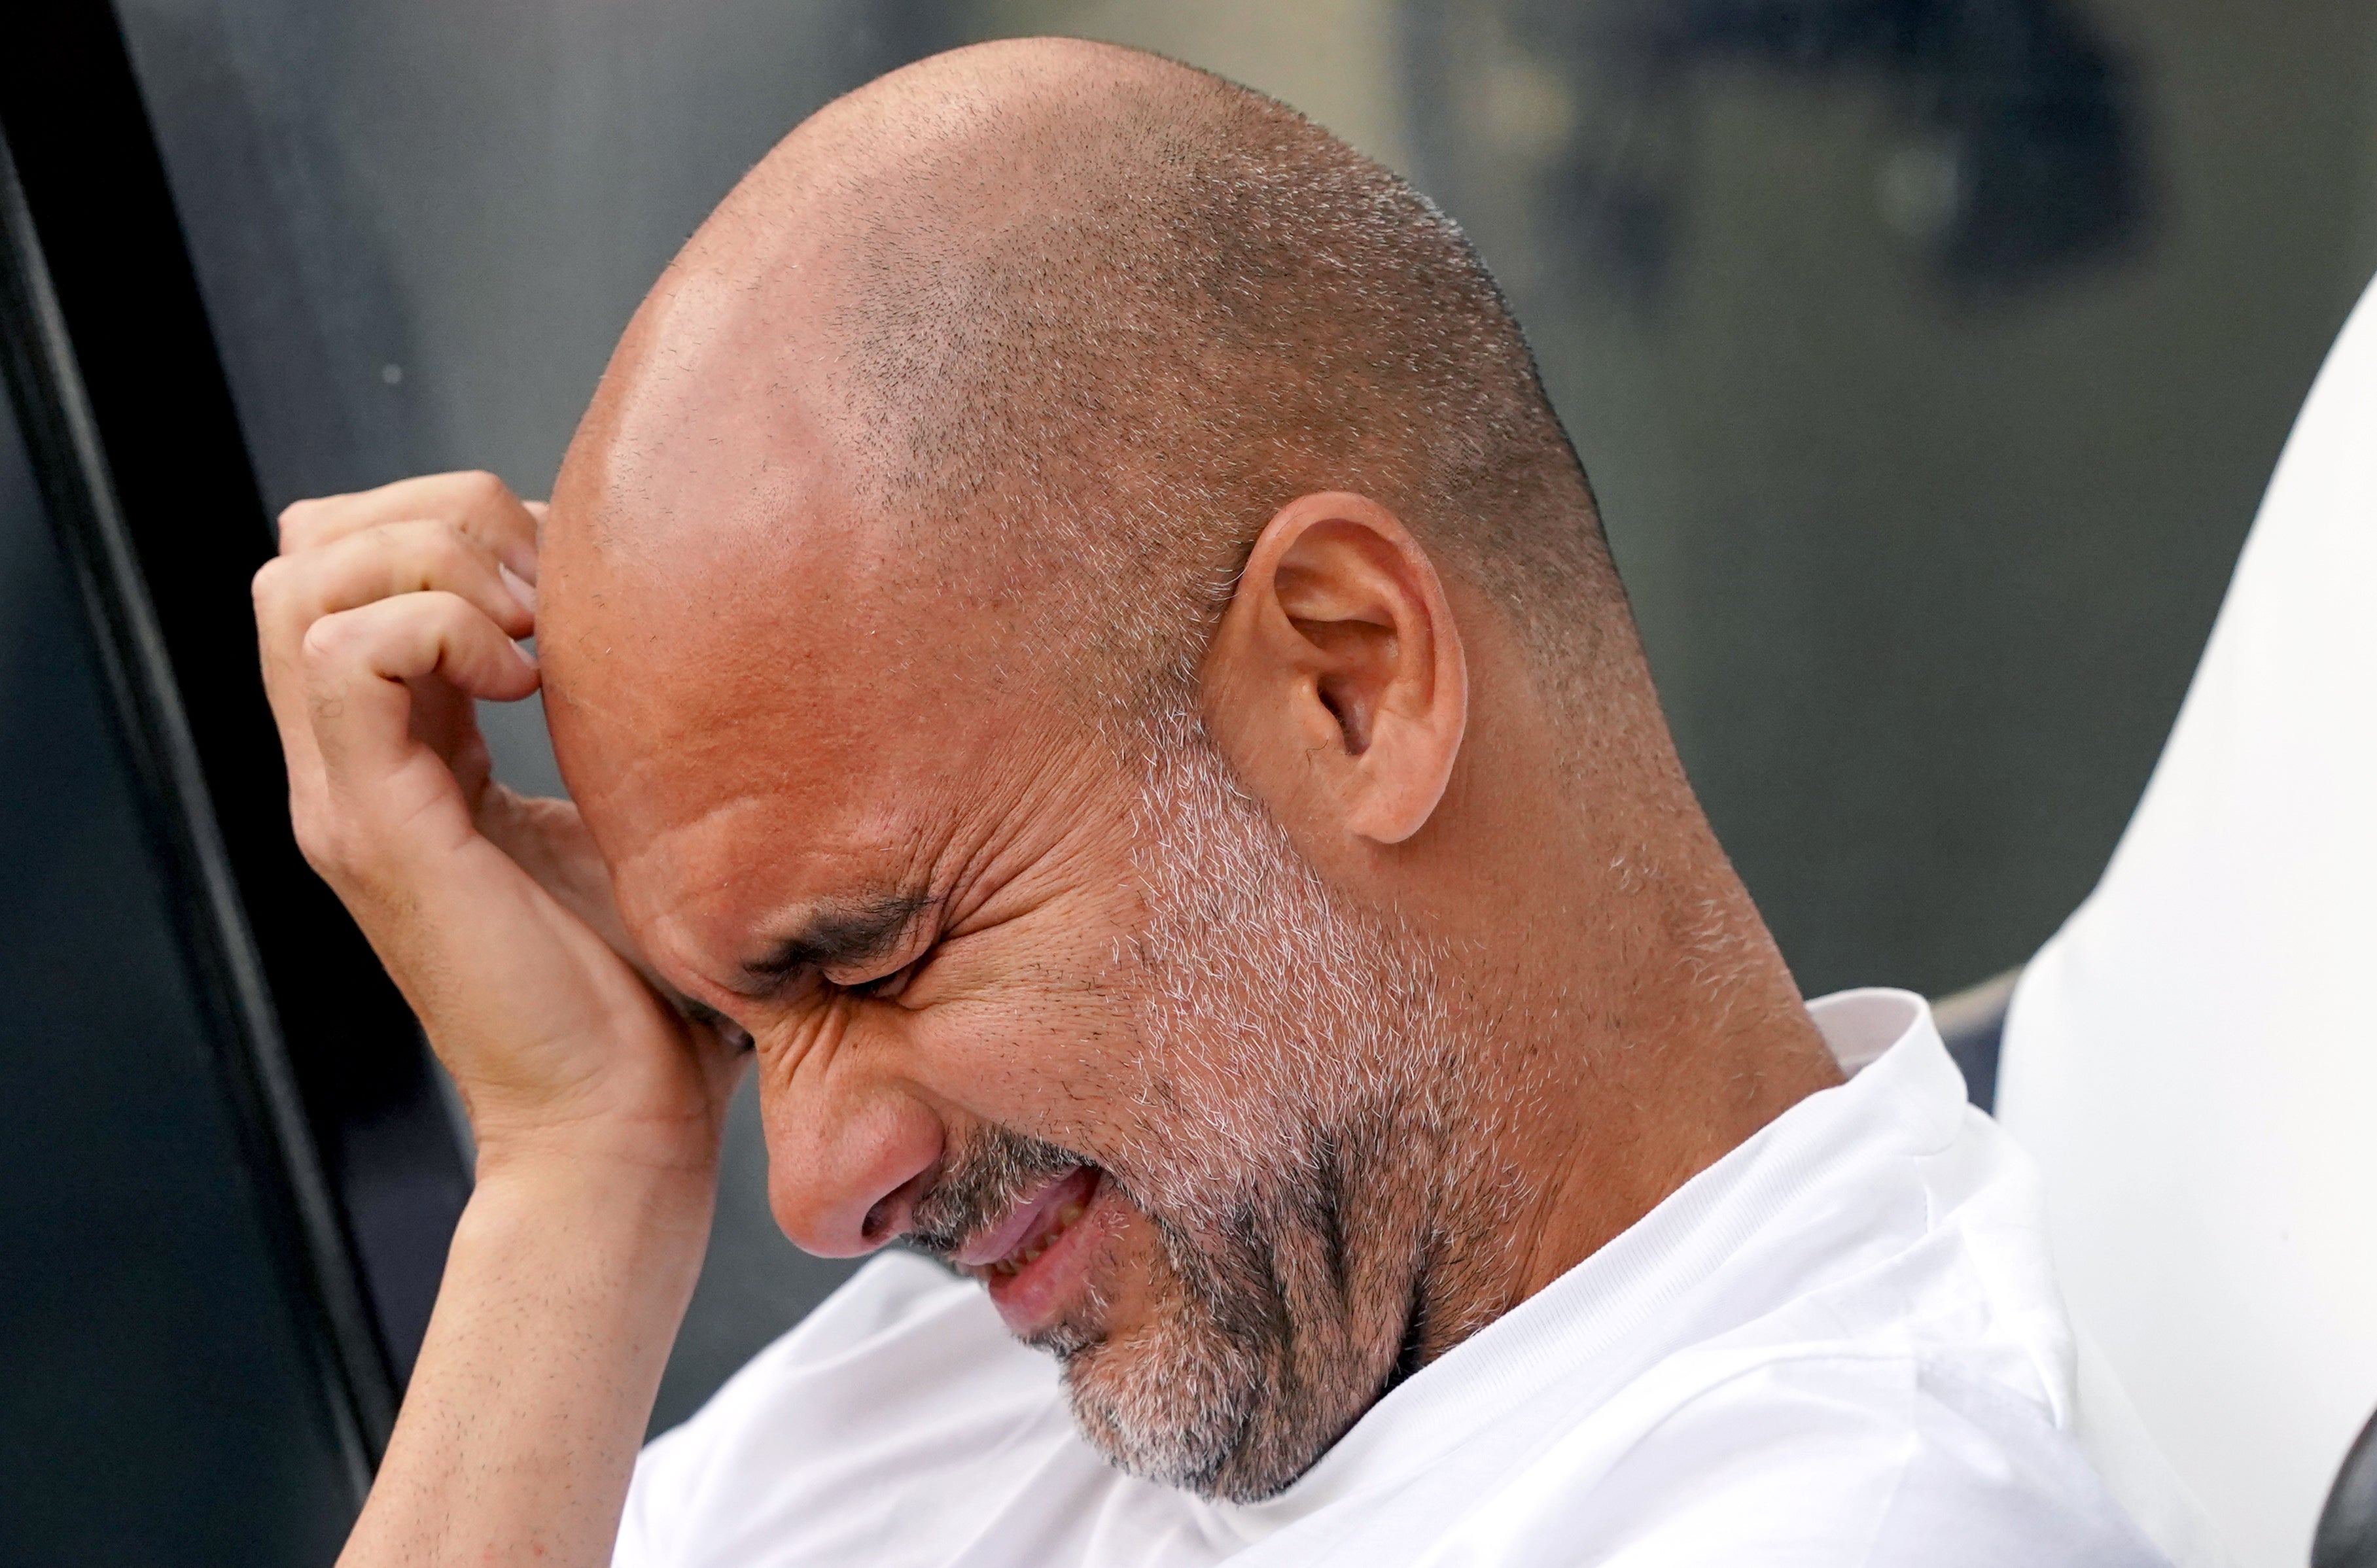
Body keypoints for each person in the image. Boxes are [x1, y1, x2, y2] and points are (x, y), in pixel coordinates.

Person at [250, 37, 2162, 1568]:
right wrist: (578, 1170)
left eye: (883, 959)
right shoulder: (976, 1395)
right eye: (745, 1024)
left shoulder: (1851, 1514)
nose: (819, 1196)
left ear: (1349, 684)